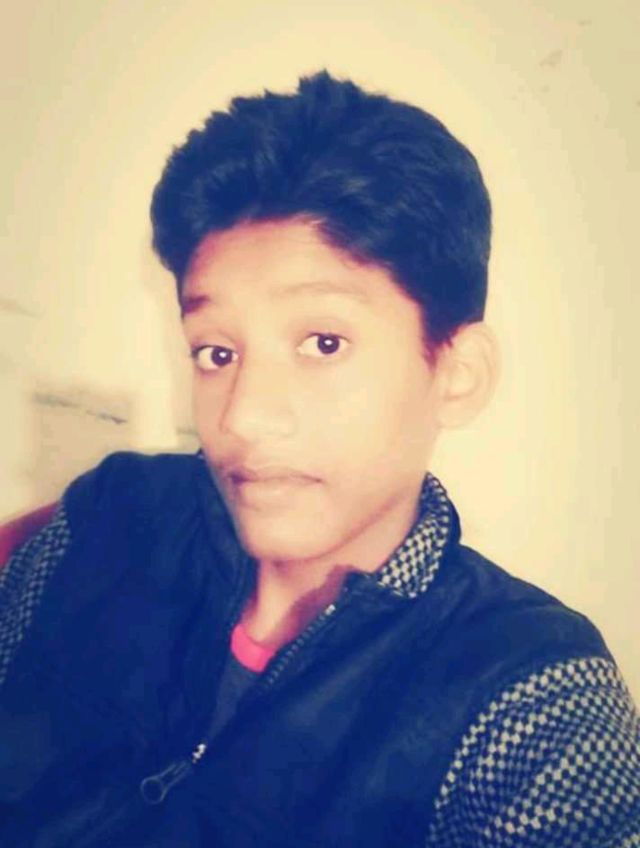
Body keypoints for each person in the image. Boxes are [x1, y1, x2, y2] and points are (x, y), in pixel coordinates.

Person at [0, 71, 638, 847]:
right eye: (216, 352)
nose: (242, 415)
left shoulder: (531, 692)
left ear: (457, 374)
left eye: (323, 343)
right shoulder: (109, 517)